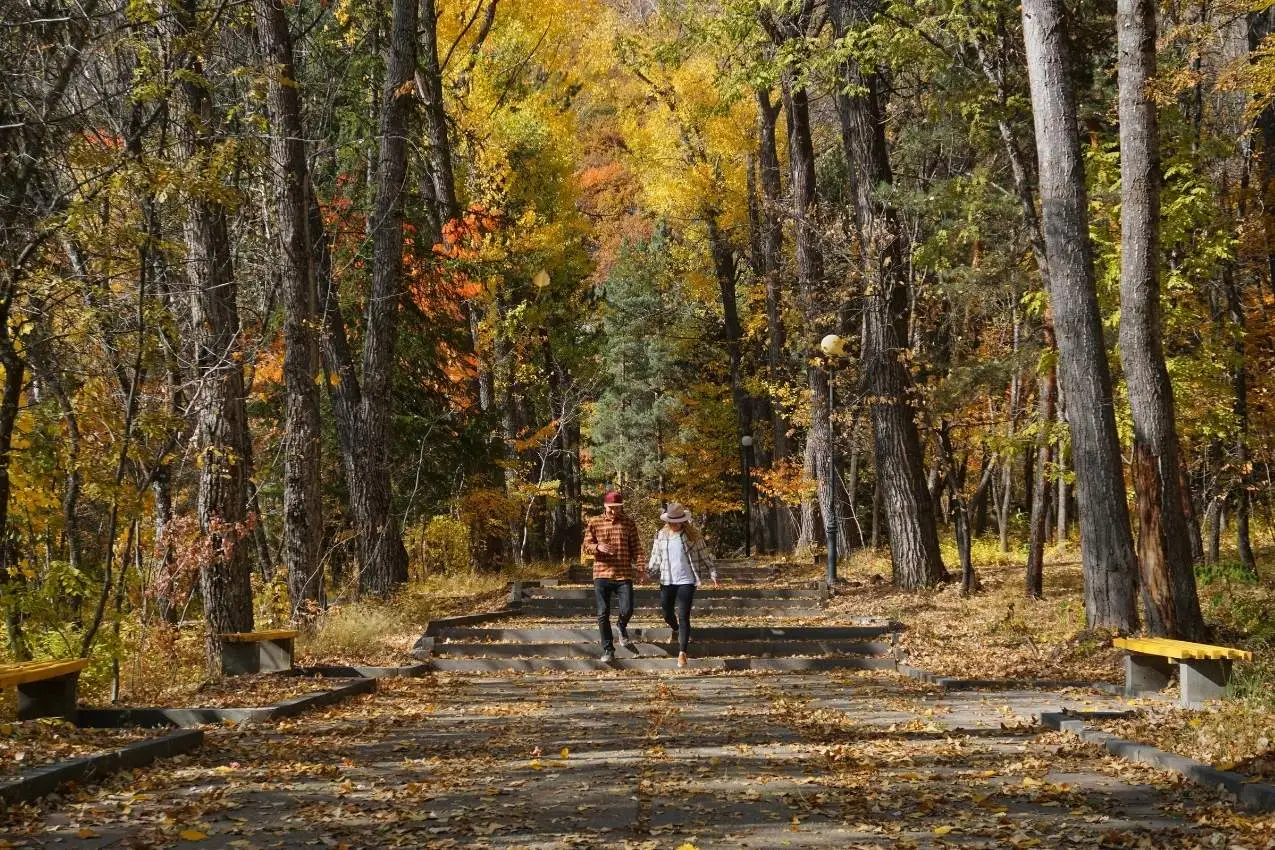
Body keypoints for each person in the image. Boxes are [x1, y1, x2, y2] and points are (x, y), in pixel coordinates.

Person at [645, 502, 716, 668]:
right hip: (667, 580)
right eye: (671, 521)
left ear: (683, 521)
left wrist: (713, 573)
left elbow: (705, 556)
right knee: (667, 613)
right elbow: (655, 558)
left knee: (684, 615)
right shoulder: (661, 535)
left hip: (687, 581)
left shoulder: (693, 536)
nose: (674, 524)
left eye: (677, 521)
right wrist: (647, 573)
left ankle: (682, 652)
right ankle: (676, 629)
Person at [583, 490, 641, 663]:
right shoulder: (594, 522)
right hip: (601, 573)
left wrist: (642, 567)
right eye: (611, 508)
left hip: (624, 573)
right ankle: (608, 649)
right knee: (603, 613)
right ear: (605, 506)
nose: (615, 511)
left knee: (628, 608)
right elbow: (586, 546)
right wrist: (597, 547)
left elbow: (636, 547)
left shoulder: (629, 523)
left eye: (618, 508)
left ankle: (621, 626)